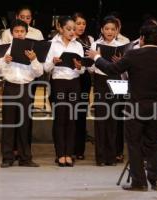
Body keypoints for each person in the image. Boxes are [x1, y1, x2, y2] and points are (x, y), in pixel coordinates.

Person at [86, 24, 157, 191]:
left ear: (142, 38)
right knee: (154, 144)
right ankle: (156, 180)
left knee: (134, 144)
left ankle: (139, 182)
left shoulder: (133, 54)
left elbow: (111, 69)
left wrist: (97, 57)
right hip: (156, 106)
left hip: (135, 105)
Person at [0, 19, 43, 168]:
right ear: (11, 33)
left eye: (22, 31)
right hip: (10, 87)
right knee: (8, 123)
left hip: (26, 88)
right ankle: (7, 158)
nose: (19, 34)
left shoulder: (32, 49)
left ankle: (25, 158)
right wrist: (5, 62)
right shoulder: (6, 50)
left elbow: (39, 72)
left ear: (26, 33)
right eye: (16, 31)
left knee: (25, 124)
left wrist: (33, 60)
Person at [44, 16, 85, 167]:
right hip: (58, 82)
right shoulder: (52, 44)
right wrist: (53, 62)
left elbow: (82, 70)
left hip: (74, 82)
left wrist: (79, 67)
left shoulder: (78, 45)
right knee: (60, 118)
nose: (72, 32)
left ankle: (69, 153)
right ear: (60, 28)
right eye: (69, 29)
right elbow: (46, 68)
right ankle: (60, 154)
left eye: (74, 29)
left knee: (72, 119)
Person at [89, 15, 124, 166]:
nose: (110, 31)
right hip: (101, 80)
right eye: (107, 29)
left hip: (117, 81)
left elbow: (126, 71)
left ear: (117, 31)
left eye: (113, 29)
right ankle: (101, 157)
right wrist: (98, 59)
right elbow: (90, 68)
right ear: (102, 30)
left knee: (114, 119)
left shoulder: (122, 46)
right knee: (101, 118)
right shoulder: (95, 44)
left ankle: (112, 156)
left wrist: (120, 63)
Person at [72, 12, 94, 160]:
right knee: (69, 113)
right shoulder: (67, 39)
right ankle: (68, 148)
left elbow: (92, 62)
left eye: (83, 24)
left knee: (80, 113)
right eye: (78, 23)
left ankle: (79, 149)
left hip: (84, 78)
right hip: (70, 77)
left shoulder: (89, 40)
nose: (81, 26)